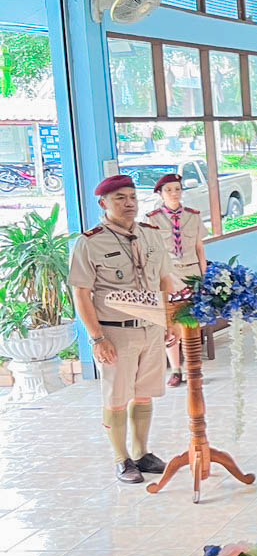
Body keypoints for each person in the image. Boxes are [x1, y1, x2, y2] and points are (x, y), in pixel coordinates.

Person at [69, 174, 179, 484]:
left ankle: (142, 453)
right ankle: (122, 459)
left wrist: (169, 320)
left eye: (132, 197)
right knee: (116, 397)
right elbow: (81, 293)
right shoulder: (90, 242)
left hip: (151, 328)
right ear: (103, 203)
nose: (129, 203)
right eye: (120, 198)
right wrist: (97, 338)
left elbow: (164, 281)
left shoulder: (151, 235)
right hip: (115, 332)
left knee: (144, 394)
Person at [146, 172, 206, 388]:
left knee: (191, 321)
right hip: (168, 276)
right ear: (160, 194)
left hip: (191, 274)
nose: (174, 194)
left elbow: (199, 248)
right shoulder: (152, 219)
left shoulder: (193, 216)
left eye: (177, 189)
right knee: (170, 322)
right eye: (168, 190)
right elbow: (150, 253)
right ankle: (176, 369)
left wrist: (205, 277)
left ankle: (193, 367)